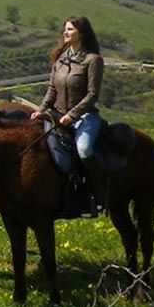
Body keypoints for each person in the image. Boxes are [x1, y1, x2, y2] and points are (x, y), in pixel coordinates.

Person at [30, 16, 105, 217]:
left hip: (85, 117)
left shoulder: (93, 60)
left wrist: (72, 115)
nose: (65, 33)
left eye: (70, 30)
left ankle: (98, 196)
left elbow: (92, 94)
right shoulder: (60, 59)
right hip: (57, 115)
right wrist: (41, 109)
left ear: (81, 33)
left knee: (84, 150)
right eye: (65, 29)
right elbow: (51, 90)